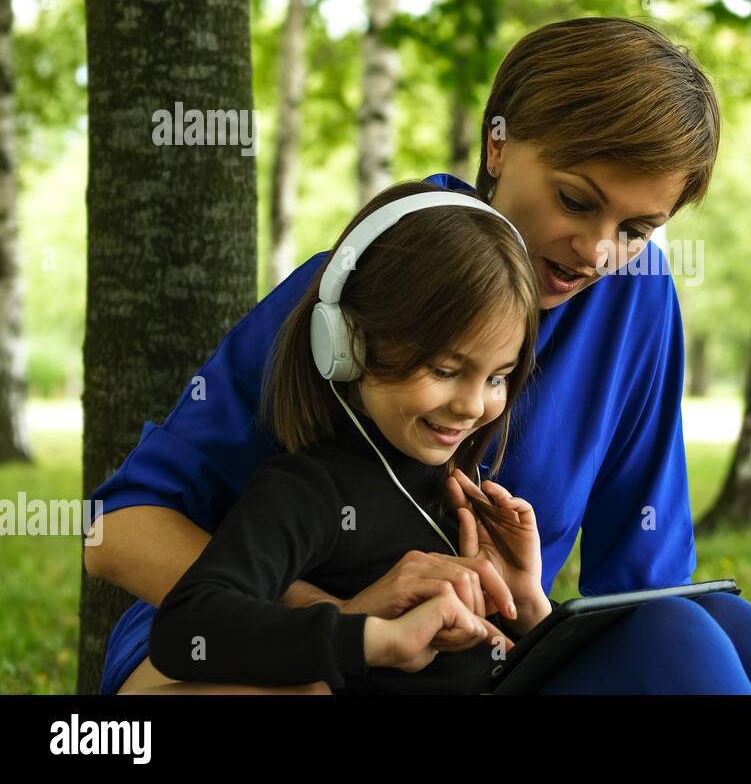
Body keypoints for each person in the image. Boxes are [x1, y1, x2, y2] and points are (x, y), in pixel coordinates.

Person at [86, 16, 751, 694]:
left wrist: (521, 611)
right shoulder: (376, 278)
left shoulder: (638, 299)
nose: (598, 251)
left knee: (701, 625)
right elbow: (115, 531)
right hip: (249, 652)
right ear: (499, 143)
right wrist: (348, 620)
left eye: (637, 229)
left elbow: (641, 588)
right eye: (576, 199)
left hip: (476, 666)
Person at [144, 182, 547, 693]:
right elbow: (188, 628)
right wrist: (369, 639)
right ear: (347, 343)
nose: (473, 406)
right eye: (445, 370)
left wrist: (527, 602)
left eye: (497, 378)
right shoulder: (308, 490)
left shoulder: (460, 495)